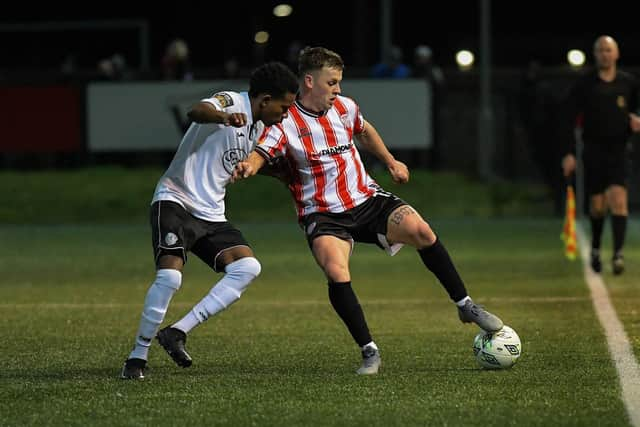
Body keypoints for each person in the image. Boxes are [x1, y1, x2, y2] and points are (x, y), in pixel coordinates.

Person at [234, 46, 503, 375]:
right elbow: (263, 152)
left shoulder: (345, 108)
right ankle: (369, 351)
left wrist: (391, 162)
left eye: (339, 82)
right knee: (336, 270)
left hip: (367, 199)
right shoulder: (285, 122)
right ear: (309, 81)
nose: (338, 90)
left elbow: (364, 130)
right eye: (332, 82)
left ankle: (465, 305)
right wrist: (250, 164)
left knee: (422, 231)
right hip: (323, 213)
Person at [120, 62, 298, 379]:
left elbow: (241, 158)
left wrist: (275, 172)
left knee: (248, 267)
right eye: (284, 107)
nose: (285, 114)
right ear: (265, 99)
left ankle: (176, 332)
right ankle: (137, 356)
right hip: (175, 199)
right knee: (170, 278)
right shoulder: (233, 101)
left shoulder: (259, 127)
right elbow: (197, 111)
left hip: (211, 213)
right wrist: (223, 117)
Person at [561, 35, 640, 275]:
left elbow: (635, 111)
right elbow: (568, 120)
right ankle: (595, 248)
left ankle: (617, 255)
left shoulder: (629, 83)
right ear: (595, 55)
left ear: (616, 54)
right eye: (600, 50)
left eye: (609, 50)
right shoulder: (585, 85)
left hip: (619, 150)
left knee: (618, 200)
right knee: (597, 206)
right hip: (593, 151)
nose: (605, 54)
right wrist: (569, 153)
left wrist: (636, 119)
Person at [412, 45, 446, 169]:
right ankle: (417, 164)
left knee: (435, 137)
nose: (422, 60)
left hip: (432, 110)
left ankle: (435, 165)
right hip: (416, 111)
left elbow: (440, 88)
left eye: (424, 58)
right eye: (420, 58)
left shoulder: (434, 71)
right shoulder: (413, 72)